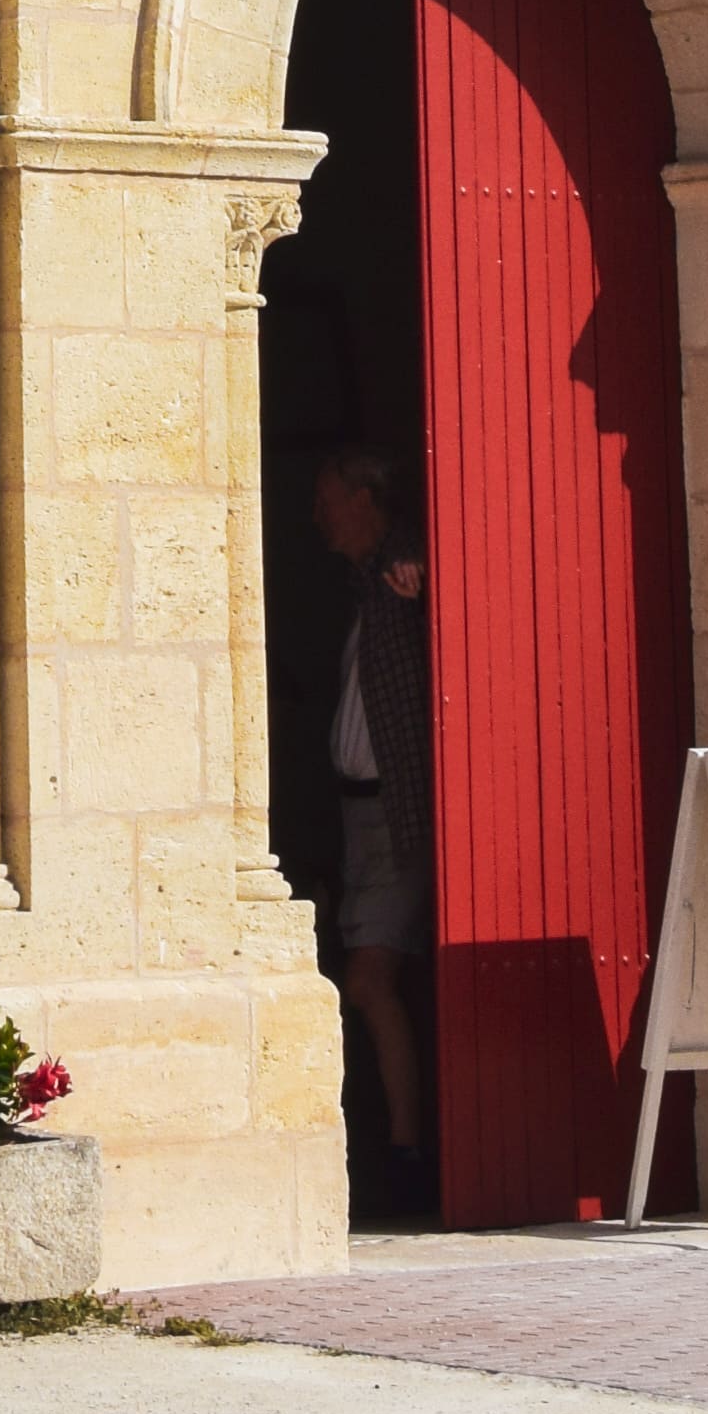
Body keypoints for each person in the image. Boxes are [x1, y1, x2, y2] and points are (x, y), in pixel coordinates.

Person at [313, 442, 432, 1212]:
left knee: (368, 980)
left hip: (397, 815)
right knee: (362, 978)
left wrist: (419, 555)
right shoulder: (365, 586)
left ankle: (404, 1148)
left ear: (367, 498)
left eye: (331, 500)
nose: (319, 518)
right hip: (360, 817)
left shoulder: (404, 574)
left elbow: (449, 549)